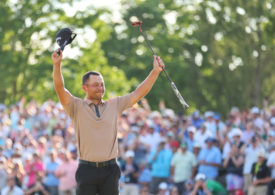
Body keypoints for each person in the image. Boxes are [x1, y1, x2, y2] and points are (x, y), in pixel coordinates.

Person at [51, 49, 165, 195]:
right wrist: (57, 65)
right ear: (85, 88)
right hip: (87, 169)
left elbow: (138, 93)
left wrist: (155, 71)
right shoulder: (76, 106)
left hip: (110, 169)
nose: (100, 88)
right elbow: (60, 88)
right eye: (95, 85)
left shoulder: (114, 104)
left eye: (102, 84)